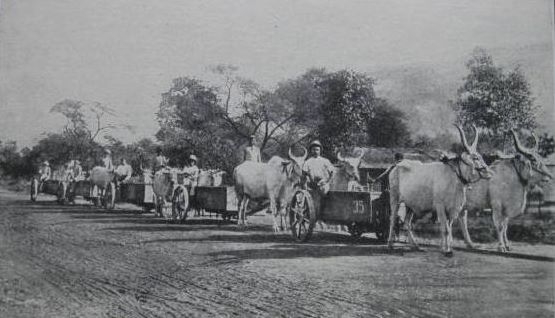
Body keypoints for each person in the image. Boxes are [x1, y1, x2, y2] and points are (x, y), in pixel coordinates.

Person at [301, 140, 335, 214]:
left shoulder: (325, 161)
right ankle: (312, 211)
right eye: (313, 149)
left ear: (320, 151)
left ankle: (323, 211)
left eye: (317, 149)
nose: (315, 151)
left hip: (323, 184)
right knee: (311, 197)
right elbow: (304, 175)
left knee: (324, 192)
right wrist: (305, 186)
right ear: (311, 151)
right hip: (312, 185)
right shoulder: (307, 162)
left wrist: (326, 181)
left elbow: (332, 172)